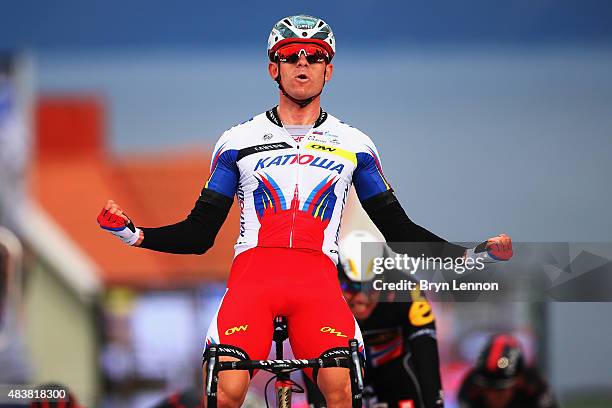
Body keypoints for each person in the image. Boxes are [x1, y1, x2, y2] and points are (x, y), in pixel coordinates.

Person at [97, 15, 513, 408]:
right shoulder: (237, 140)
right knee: (227, 392)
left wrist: (470, 255)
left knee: (341, 390)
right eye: (290, 55)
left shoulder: (356, 144)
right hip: (253, 281)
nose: (302, 63)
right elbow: (200, 233)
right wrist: (132, 233)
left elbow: (397, 228)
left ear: (328, 70)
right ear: (272, 68)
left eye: (315, 56)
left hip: (317, 283)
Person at [304, 231, 444, 408]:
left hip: (394, 378)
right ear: (335, 280)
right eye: (352, 286)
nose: (362, 298)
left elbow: (426, 354)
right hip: (343, 374)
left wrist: (435, 403)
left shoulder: (407, 290)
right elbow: (312, 360)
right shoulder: (320, 296)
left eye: (371, 286)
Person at [458, 334, 557, 408]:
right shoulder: (470, 389)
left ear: (518, 381)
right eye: (487, 389)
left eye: (500, 390)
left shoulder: (535, 388)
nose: (492, 397)